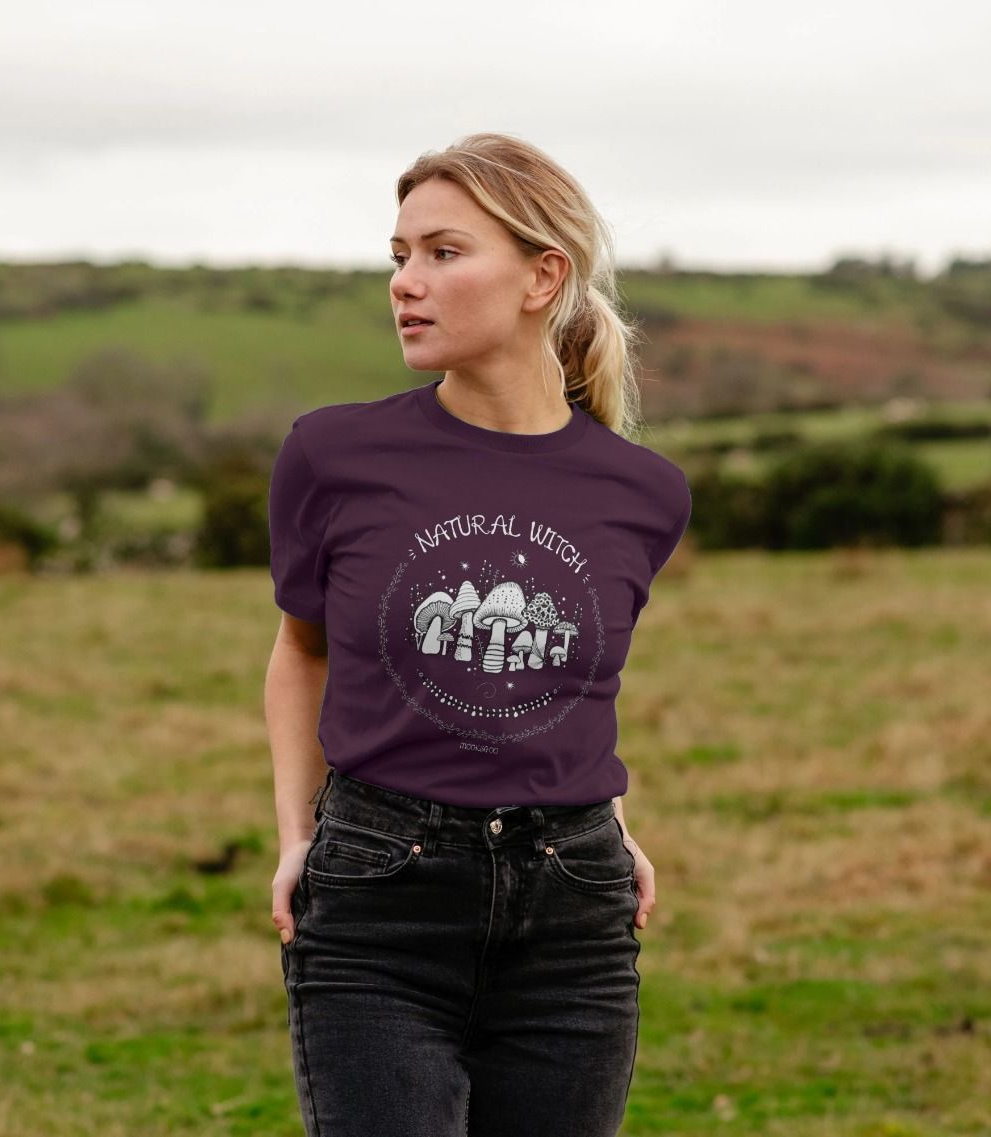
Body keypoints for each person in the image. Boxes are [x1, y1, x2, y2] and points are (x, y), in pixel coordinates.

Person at [265, 132, 692, 1137]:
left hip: (572, 915)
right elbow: (301, 653)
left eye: (443, 254)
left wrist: (609, 825)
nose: (405, 284)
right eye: (399, 256)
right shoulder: (335, 453)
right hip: (381, 899)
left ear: (545, 275)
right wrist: (298, 836)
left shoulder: (643, 492)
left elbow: (576, 688)